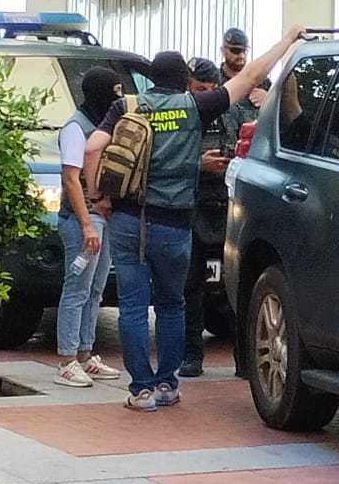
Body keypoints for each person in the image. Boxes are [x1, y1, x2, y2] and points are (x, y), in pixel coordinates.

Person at [85, 29, 303, 411]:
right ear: (182, 81)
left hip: (128, 220)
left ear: (152, 78)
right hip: (175, 223)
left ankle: (141, 390)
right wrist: (288, 41)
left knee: (135, 306)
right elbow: (250, 76)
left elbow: (92, 147)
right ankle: (168, 383)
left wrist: (97, 196)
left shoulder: (129, 107)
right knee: (172, 304)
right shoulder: (195, 106)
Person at [51, 67, 125, 388]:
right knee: (77, 288)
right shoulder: (75, 128)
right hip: (83, 218)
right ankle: (67, 360)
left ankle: (85, 353)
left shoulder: (100, 125)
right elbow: (70, 178)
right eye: (115, 90)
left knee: (95, 290)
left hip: (102, 217)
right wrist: (86, 225)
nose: (119, 97)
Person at [179, 57, 229, 378]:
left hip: (228, 203)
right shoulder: (180, 113)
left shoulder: (232, 109)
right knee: (191, 285)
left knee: (238, 283)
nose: (207, 96)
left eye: (212, 90)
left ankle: (245, 360)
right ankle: (192, 356)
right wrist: (199, 163)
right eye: (200, 89)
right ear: (188, 84)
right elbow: (165, 159)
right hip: (192, 204)